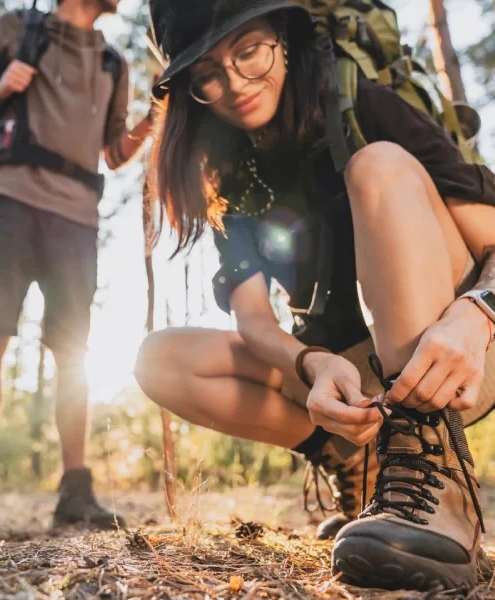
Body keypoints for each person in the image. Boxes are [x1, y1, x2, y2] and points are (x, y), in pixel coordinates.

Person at [135, 0, 495, 590]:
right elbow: (252, 318)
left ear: (281, 37)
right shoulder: (227, 172)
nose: (234, 85)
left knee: (375, 166)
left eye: (248, 52)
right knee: (160, 358)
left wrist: (476, 314)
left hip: (460, 354)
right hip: (351, 377)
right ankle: (357, 461)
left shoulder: (363, 103)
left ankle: (436, 474)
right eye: (207, 75)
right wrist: (313, 362)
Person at [0, 0, 153, 535]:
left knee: (72, 351)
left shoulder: (113, 62)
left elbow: (113, 152)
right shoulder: (17, 27)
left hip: (77, 219)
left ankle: (75, 492)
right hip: (6, 200)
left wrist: (151, 121)